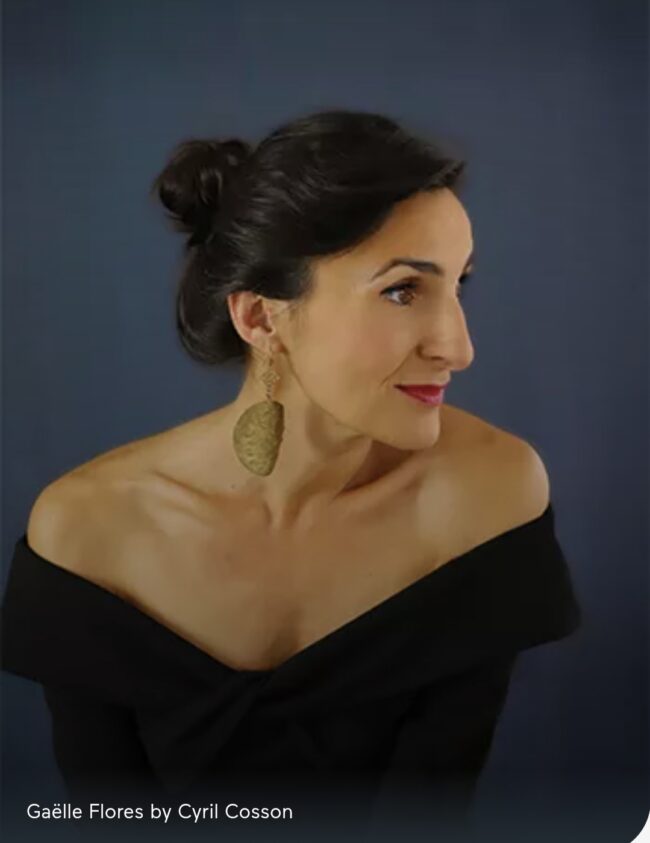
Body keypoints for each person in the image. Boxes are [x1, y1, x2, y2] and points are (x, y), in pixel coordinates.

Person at [1, 109, 582, 841]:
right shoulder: (88, 531)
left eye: (458, 284)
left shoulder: (486, 495)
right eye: (404, 290)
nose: (458, 348)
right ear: (261, 318)